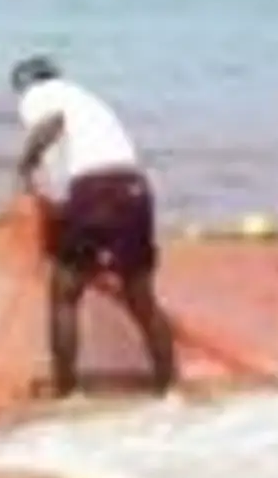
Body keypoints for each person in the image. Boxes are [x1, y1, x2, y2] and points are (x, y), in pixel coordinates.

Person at [11, 55, 176, 399]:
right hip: (135, 188)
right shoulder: (86, 100)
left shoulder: (39, 96)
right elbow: (68, 170)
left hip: (95, 190)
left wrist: (24, 166)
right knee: (141, 297)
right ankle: (169, 388)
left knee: (64, 295)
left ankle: (64, 392)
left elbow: (50, 124)